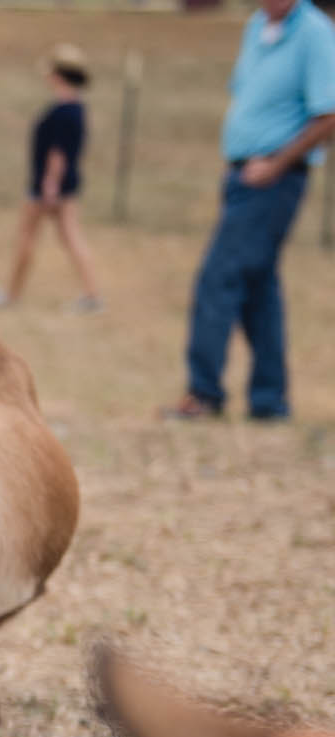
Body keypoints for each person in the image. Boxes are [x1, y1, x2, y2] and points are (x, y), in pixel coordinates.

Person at [165, 0, 335, 422]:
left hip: (275, 179)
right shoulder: (257, 27)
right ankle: (269, 400)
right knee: (258, 288)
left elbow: (329, 113)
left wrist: (276, 165)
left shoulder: (314, 33)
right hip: (242, 176)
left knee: (218, 278)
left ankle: (203, 393)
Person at [0, 44, 103, 315]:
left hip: (48, 186)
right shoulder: (77, 108)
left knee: (26, 237)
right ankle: (92, 294)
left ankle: (11, 293)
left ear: (59, 75)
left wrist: (49, 185)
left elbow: (57, 154)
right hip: (67, 185)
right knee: (71, 238)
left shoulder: (62, 111)